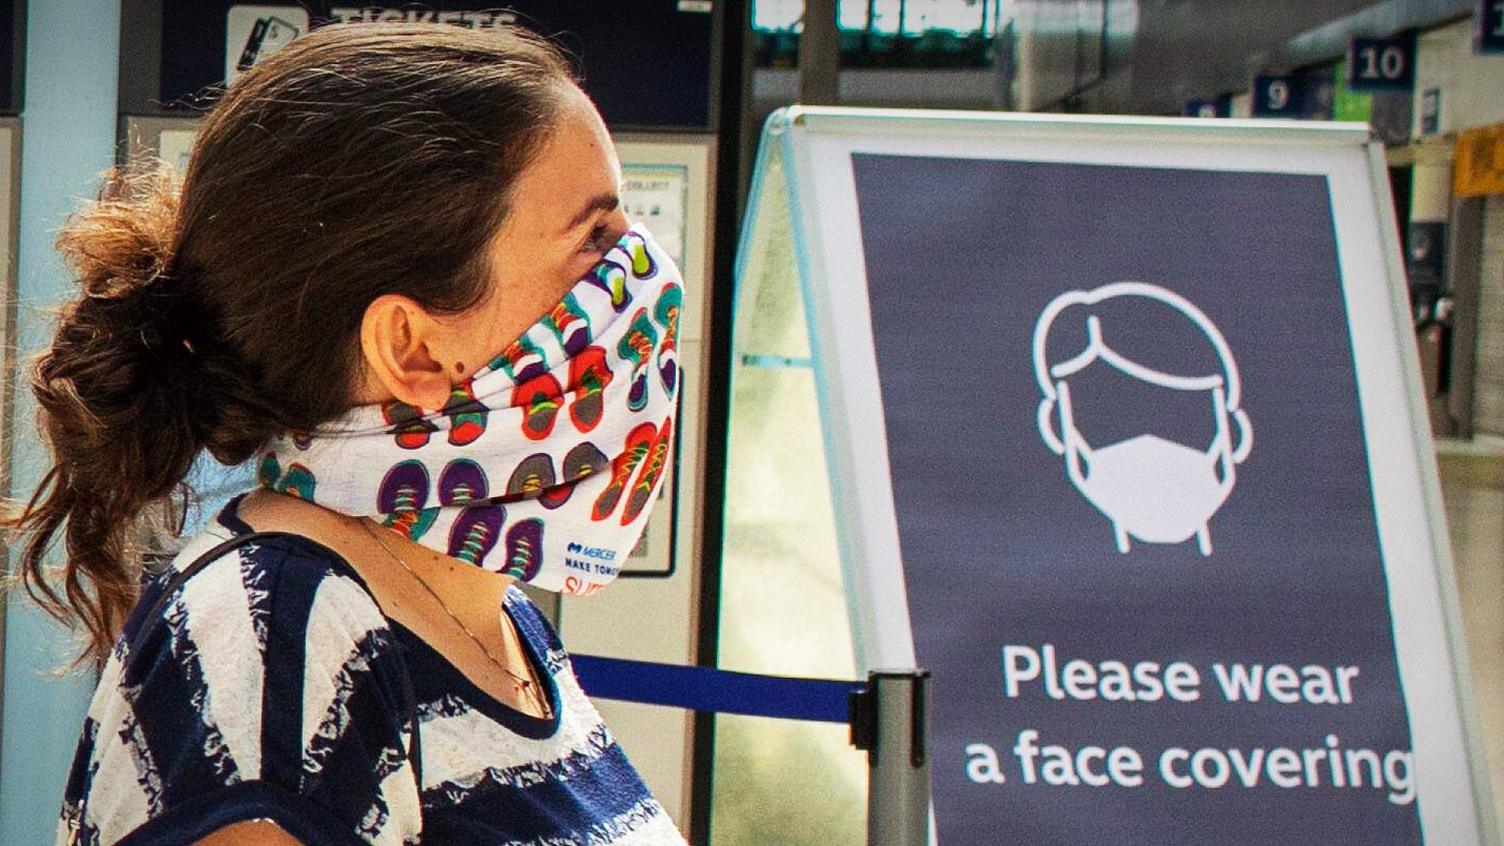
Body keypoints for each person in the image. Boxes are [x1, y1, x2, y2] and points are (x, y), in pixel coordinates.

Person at [6, 21, 688, 845]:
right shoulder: (272, 642)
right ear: (410, 347)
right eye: (595, 239)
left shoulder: (483, 604)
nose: (644, 275)